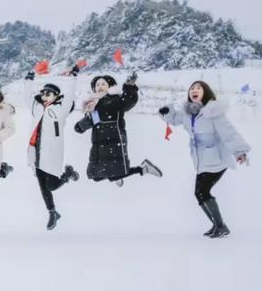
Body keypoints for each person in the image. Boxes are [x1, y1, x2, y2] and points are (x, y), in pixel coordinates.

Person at [159, 80, 250, 238]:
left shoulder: (212, 111)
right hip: (201, 159)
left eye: (198, 88)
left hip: (217, 158)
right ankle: (218, 225)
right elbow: (174, 119)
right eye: (192, 88)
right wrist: (166, 111)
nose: (194, 90)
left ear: (205, 92)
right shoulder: (188, 112)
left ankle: (221, 226)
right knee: (200, 192)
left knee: (202, 191)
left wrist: (239, 151)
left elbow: (229, 132)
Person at [74, 72, 162, 186]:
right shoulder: (93, 103)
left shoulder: (114, 100)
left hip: (114, 142)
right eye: (97, 85)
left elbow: (128, 101)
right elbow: (93, 120)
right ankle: (116, 175)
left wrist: (129, 86)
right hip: (99, 145)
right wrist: (81, 125)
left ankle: (142, 168)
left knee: (102, 173)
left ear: (110, 87)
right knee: (96, 176)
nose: (99, 86)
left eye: (103, 84)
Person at [25, 65, 81, 230]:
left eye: (48, 93)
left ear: (56, 96)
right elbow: (27, 98)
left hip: (51, 153)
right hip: (35, 152)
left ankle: (67, 175)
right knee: (42, 185)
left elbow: (70, 95)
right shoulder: (38, 108)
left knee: (52, 185)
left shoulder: (61, 109)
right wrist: (29, 80)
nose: (44, 96)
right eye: (43, 93)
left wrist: (72, 77)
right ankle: (52, 212)